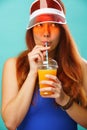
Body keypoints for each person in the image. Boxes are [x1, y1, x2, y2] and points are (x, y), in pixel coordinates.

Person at [1, 0, 87, 130]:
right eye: (39, 25)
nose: (46, 33)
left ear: (62, 30)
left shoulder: (80, 66)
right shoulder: (13, 65)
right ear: (31, 30)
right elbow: (11, 123)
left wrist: (64, 100)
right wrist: (33, 73)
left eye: (53, 24)